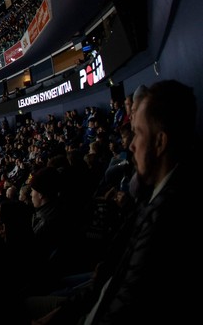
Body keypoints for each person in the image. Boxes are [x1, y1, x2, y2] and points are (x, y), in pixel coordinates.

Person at [31, 79, 195, 325]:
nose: (131, 144)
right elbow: (109, 280)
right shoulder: (151, 199)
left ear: (160, 142)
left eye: (138, 132)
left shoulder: (168, 220)